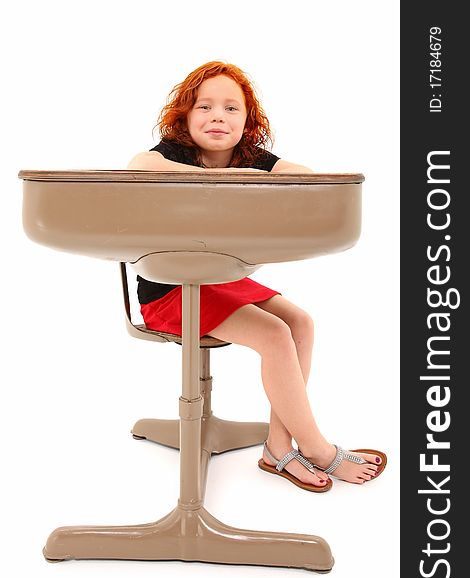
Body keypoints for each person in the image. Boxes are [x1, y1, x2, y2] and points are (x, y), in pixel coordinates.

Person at [128, 61, 387, 492]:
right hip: (172, 290)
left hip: (220, 280)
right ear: (185, 118)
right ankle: (317, 447)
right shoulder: (174, 152)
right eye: (204, 107)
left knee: (300, 322)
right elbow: (138, 165)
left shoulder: (249, 156)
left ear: (247, 121)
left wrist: (262, 173)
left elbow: (307, 179)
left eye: (232, 108)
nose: (217, 117)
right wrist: (231, 179)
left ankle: (278, 447)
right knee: (274, 335)